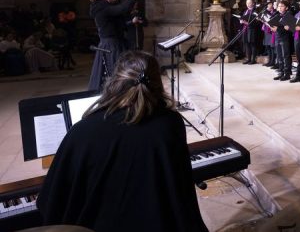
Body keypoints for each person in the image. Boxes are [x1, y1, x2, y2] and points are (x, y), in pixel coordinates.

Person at [37, 50, 208, 232]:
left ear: (115, 81)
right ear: (158, 83)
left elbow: (51, 202)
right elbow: (179, 189)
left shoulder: (80, 131)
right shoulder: (170, 123)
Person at [88, 0, 144, 91]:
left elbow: (122, 12)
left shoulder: (106, 7)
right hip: (111, 45)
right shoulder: (101, 8)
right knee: (115, 73)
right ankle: (116, 96)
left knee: (122, 73)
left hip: (116, 42)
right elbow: (121, 9)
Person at [239, 0, 259, 64]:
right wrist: (241, 21)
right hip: (245, 29)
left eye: (249, 3)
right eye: (247, 3)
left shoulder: (255, 11)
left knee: (252, 44)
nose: (248, 4)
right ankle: (248, 58)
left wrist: (248, 23)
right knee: (247, 44)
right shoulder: (246, 11)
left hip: (252, 29)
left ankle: (253, 59)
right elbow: (243, 18)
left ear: (253, 3)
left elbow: (257, 22)